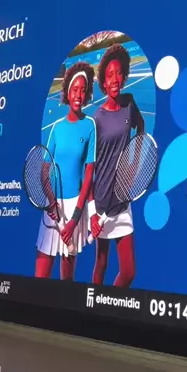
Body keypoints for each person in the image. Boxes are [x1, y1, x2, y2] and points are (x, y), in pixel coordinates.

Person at [35, 61, 95, 281]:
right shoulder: (57, 128)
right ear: (68, 93)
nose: (78, 94)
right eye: (74, 89)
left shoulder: (90, 126)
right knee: (41, 275)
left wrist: (75, 219)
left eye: (82, 90)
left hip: (75, 209)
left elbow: (88, 176)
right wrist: (51, 202)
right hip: (53, 206)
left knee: (67, 279)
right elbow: (44, 171)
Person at [90, 44, 144, 287]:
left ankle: (110, 302)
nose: (115, 79)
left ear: (124, 76)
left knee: (128, 271)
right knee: (101, 264)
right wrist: (92, 212)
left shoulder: (129, 104)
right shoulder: (96, 120)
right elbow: (89, 169)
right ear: (103, 82)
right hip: (102, 203)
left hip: (122, 201)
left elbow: (140, 127)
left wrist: (134, 161)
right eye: (110, 75)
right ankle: (93, 304)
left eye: (119, 73)